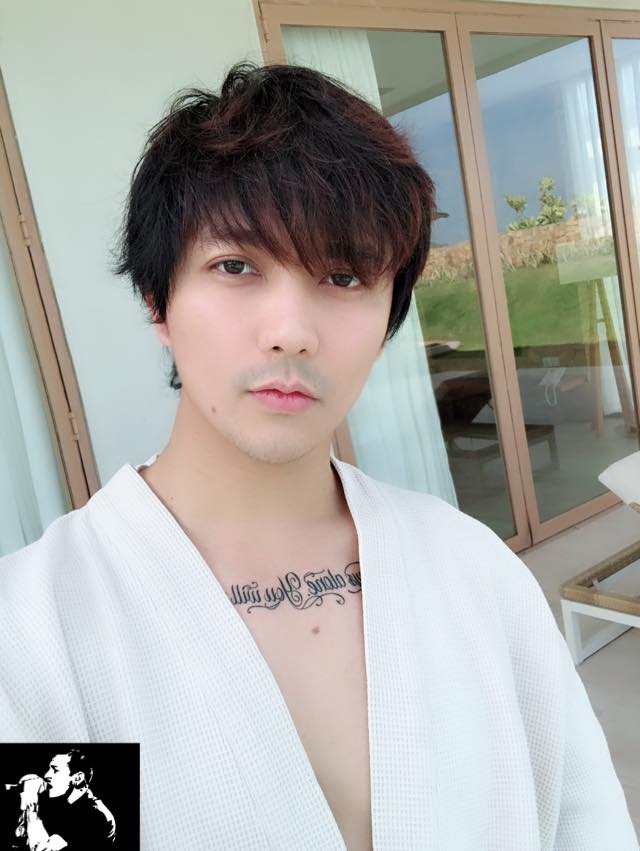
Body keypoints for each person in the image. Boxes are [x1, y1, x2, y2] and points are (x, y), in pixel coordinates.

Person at [0, 60, 637, 851]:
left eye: (343, 275)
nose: (291, 331)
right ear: (158, 300)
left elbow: (585, 823)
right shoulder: (35, 638)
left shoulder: (474, 570)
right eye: (236, 266)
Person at [12, 749, 115, 849]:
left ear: (78, 778)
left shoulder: (96, 818)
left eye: (55, 770)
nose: (46, 775)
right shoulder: (59, 802)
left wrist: (31, 809)